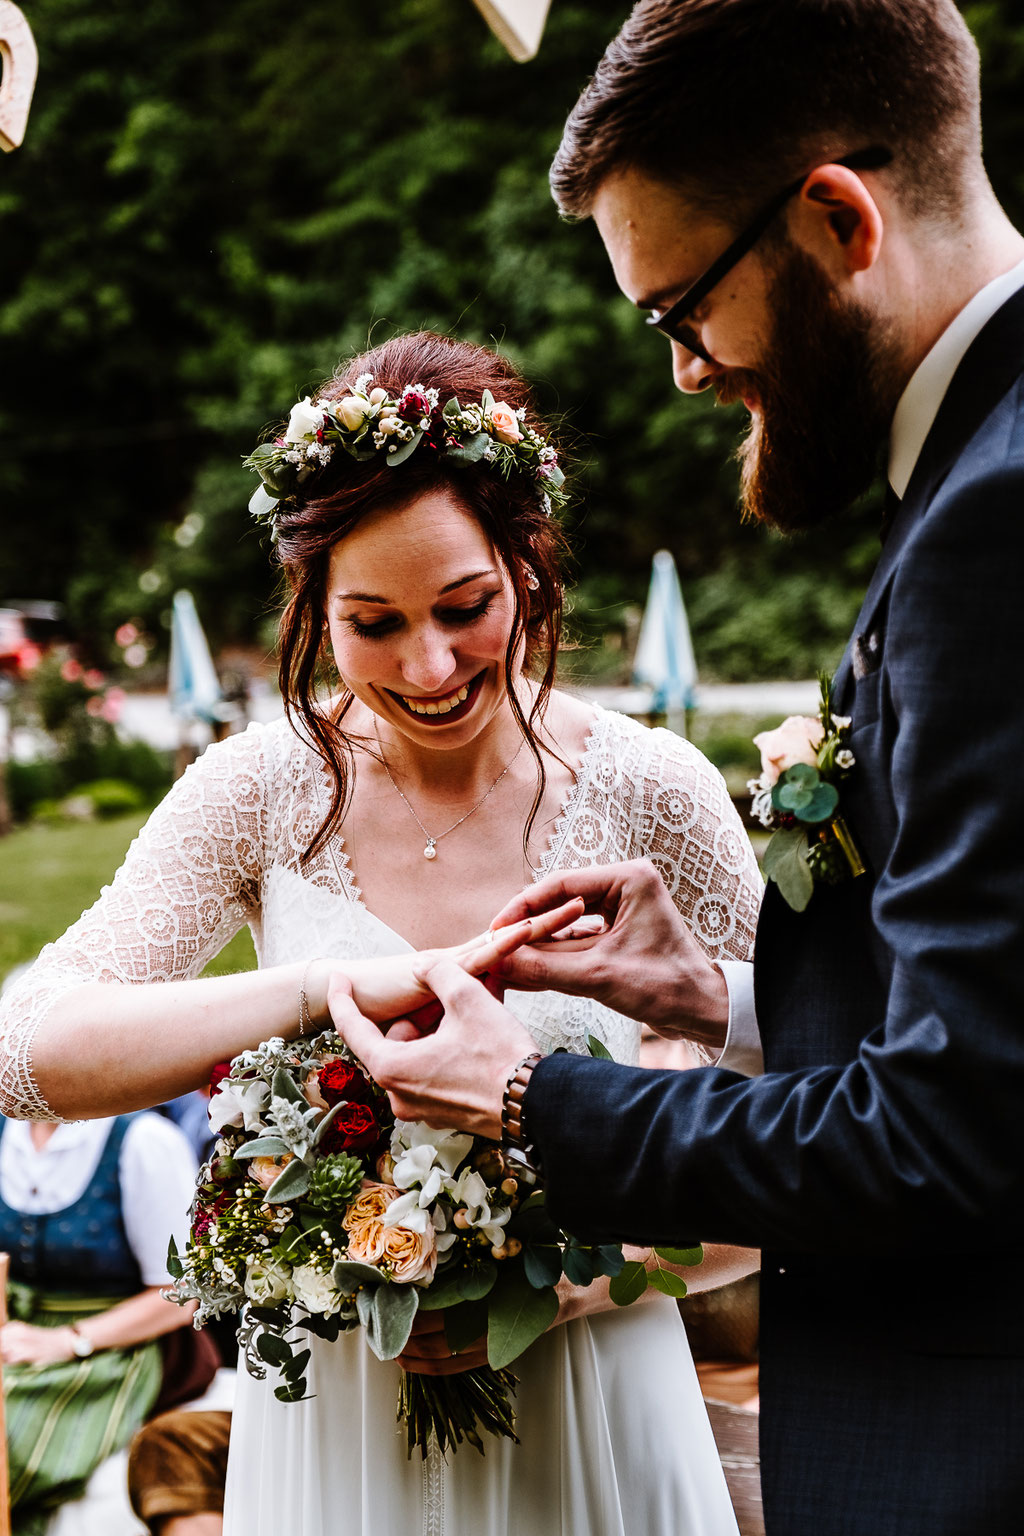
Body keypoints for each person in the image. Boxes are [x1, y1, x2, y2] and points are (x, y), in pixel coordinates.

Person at [331, 4, 1024, 1534]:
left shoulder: (995, 521)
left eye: (681, 312)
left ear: (836, 219)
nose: (686, 375)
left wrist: (526, 1096)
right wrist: (724, 1000)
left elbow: (950, 1138)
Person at [0, 332, 762, 1536]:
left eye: (466, 608)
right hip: (335, 1427)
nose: (428, 665)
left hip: (597, 1405)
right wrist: (317, 988)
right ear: (312, 607)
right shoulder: (257, 790)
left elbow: (799, 1138)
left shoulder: (653, 787)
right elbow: (23, 1051)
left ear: (528, 562)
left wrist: (567, 1288)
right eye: (371, 623)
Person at [0, 1109, 198, 1535]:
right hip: (13, 1329)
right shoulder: (6, 1130)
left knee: (10, 1436)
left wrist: (67, 1340)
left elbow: (181, 1296)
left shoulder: (143, 1140)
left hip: (110, 1347)